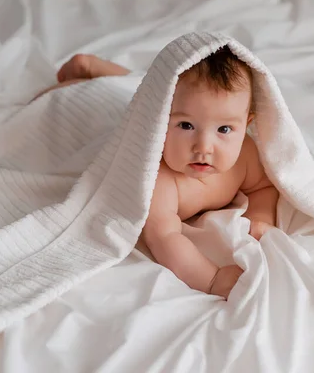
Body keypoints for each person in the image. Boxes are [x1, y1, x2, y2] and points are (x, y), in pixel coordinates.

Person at [36, 47, 279, 300]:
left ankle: (95, 67)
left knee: (159, 93)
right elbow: (163, 237)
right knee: (78, 101)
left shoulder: (246, 155)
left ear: (247, 124)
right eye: (186, 126)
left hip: (161, 99)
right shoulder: (159, 179)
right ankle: (85, 72)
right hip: (89, 109)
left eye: (224, 129)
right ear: (159, 120)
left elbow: (264, 186)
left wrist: (260, 218)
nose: (204, 147)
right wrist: (212, 278)